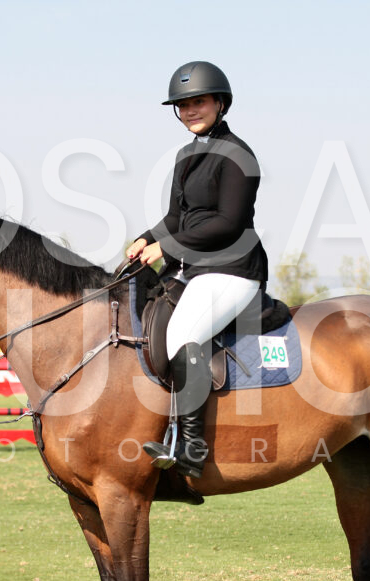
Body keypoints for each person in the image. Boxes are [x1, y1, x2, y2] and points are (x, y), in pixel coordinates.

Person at [127, 61, 269, 478]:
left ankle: (191, 448)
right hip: (194, 269)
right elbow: (176, 217)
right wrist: (146, 238)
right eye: (183, 105)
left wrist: (167, 248)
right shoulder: (187, 155)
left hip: (232, 270)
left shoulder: (239, 154)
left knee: (182, 334)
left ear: (220, 103)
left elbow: (227, 222)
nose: (190, 110)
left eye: (199, 102)